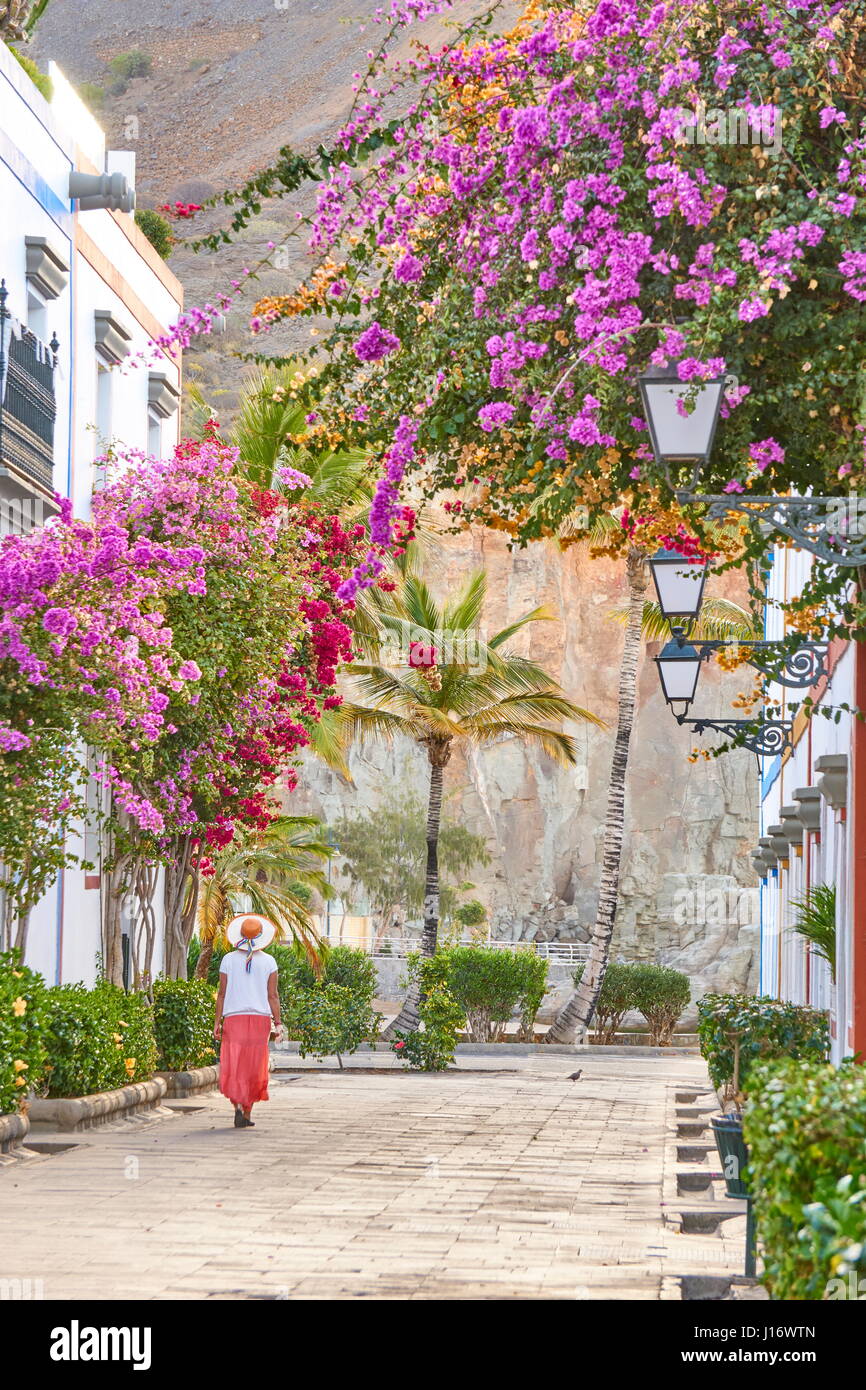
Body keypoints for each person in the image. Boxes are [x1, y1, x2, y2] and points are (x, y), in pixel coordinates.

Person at [214, 914, 284, 1128]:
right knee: (254, 1065)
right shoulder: (269, 962)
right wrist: (279, 1023)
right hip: (259, 1019)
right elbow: (273, 996)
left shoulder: (228, 960)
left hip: (234, 1018)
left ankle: (236, 1105)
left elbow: (222, 994)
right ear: (261, 936)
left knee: (235, 1063)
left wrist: (217, 1022)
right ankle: (246, 1113)